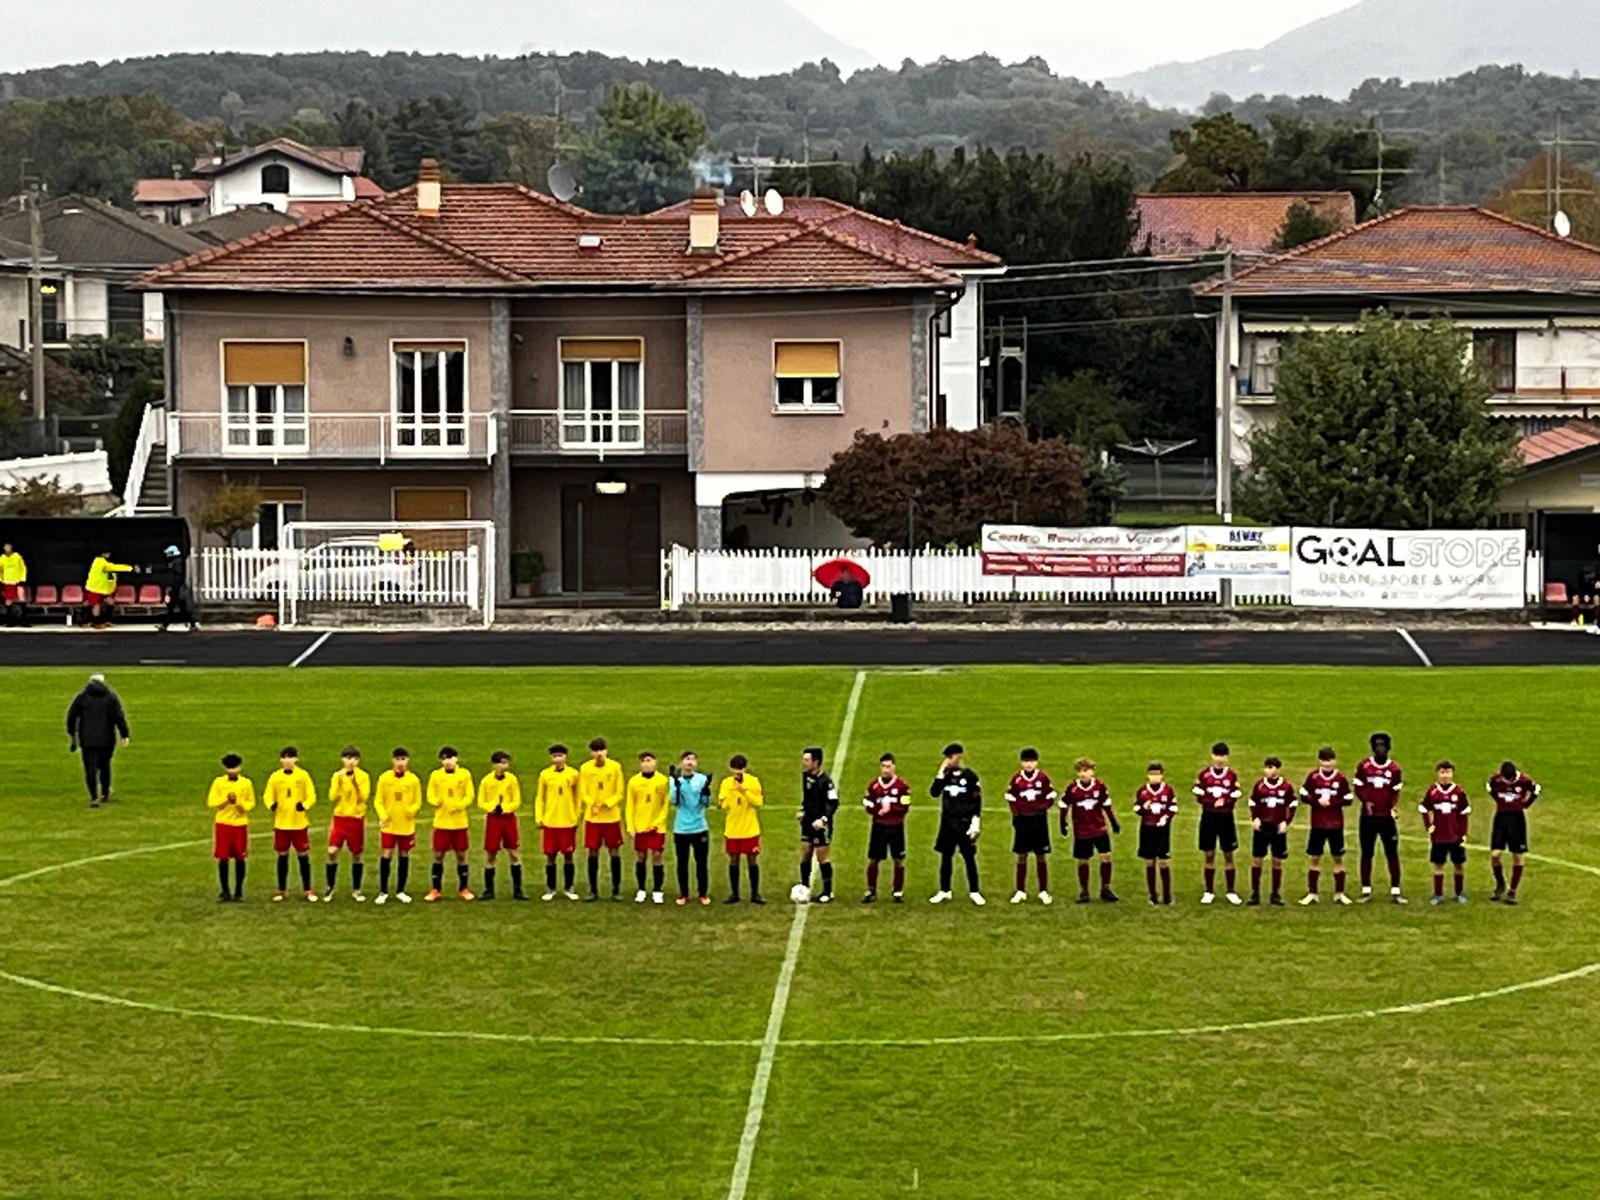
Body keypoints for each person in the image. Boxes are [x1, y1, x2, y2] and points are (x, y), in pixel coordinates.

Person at [1354, 732, 1405, 904]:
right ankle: (1366, 889)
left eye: (1383, 745)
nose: (1380, 749)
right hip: (1368, 818)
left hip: (1386, 818)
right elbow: (1359, 788)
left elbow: (1395, 792)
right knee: (1367, 852)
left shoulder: (1394, 770)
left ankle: (1396, 890)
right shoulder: (1364, 766)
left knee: (1392, 853)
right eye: (1377, 746)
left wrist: (1392, 806)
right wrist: (1366, 801)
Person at [930, 743, 984, 906]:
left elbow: (977, 800)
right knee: (946, 857)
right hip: (947, 823)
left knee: (969, 858)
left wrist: (975, 822)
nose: (947, 760)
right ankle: (944, 890)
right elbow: (934, 792)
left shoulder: (970, 776)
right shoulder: (945, 776)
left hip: (964, 822)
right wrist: (940, 773)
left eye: (950, 757)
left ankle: (974, 891)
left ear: (958, 757)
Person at [1299, 747, 1354, 906]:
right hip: (1317, 824)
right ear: (1320, 761)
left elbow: (1349, 798)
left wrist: (1333, 802)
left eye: (1330, 760)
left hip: (1335, 824)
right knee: (1315, 857)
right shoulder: (1313, 777)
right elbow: (1303, 795)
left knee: (1338, 857)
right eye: (1324, 760)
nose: (1327, 764)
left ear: (1334, 761)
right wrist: (1316, 801)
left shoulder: (1340, 778)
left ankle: (1339, 893)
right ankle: (1312, 893)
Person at [66, 673, 129, 808]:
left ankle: (94, 797)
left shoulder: (82, 697)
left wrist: (72, 733)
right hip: (107, 739)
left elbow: (71, 716)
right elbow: (119, 717)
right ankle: (105, 794)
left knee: (90, 768)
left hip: (87, 740)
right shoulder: (110, 697)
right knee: (105, 766)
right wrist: (124, 734)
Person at [263, 746, 318, 902]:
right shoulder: (275, 777)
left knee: (303, 855)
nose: (288, 761)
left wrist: (304, 805)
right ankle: (281, 890)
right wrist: (271, 804)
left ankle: (307, 889)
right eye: (285, 758)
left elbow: (311, 795)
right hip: (281, 823)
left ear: (296, 759)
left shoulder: (303, 776)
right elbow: (268, 794)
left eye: (291, 757)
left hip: (299, 823)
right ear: (281, 760)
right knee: (282, 856)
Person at [1192, 742, 1243, 906]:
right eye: (1217, 756)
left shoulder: (1232, 776)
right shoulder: (1204, 775)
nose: (1219, 759)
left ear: (1227, 758)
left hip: (1226, 818)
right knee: (1209, 854)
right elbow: (1198, 794)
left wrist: (1225, 801)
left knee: (1229, 854)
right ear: (1212, 756)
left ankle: (1231, 891)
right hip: (1208, 817)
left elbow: (1235, 794)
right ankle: (1209, 891)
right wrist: (1213, 801)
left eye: (1222, 756)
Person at [1062, 757, 1118, 904]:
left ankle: (1105, 888)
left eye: (1086, 771)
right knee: (1083, 860)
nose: (1083, 774)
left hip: (1099, 828)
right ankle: (1084, 891)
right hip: (1082, 830)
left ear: (1093, 771)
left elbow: (1106, 805)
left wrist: (1113, 822)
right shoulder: (1072, 788)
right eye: (1080, 771)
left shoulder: (1099, 786)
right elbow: (1064, 805)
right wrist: (1063, 822)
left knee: (1106, 857)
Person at [1005, 748, 1056, 906]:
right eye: (1026, 761)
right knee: (1022, 855)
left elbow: (1051, 796)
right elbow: (1010, 797)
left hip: (1039, 822)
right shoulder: (1016, 780)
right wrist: (1016, 814)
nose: (1028, 764)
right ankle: (1020, 890)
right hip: (1022, 822)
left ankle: (1043, 891)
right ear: (1021, 763)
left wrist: (1042, 808)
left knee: (1041, 855)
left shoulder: (1042, 778)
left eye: (1031, 761)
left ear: (1036, 762)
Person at [373, 747, 422, 905]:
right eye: (397, 759)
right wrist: (383, 815)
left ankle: (401, 890)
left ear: (408, 761)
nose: (400, 763)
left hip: (406, 825)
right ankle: (383, 891)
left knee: (404, 855)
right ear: (392, 760)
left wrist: (411, 811)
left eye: (403, 759)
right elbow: (378, 800)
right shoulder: (384, 778)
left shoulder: (413, 780)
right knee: (386, 855)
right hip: (389, 825)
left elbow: (417, 801)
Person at [425, 746, 475, 902]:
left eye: (451, 758)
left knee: (461, 855)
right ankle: (435, 889)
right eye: (445, 759)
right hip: (441, 822)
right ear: (441, 760)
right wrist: (436, 801)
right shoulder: (436, 775)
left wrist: (459, 805)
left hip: (459, 822)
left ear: (456, 759)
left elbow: (469, 795)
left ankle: (464, 889)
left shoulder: (464, 774)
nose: (448, 761)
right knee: (438, 855)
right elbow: (430, 795)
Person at [580, 737, 626, 902]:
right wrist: (592, 804)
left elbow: (619, 791)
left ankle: (616, 889)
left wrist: (607, 804)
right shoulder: (585, 769)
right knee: (593, 852)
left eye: (601, 750)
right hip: (593, 818)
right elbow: (583, 791)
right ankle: (593, 890)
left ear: (606, 751)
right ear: (591, 753)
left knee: (614, 851)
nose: (599, 754)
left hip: (611, 818)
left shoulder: (615, 767)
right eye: (595, 751)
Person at [1247, 756, 1297, 907]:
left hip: (1277, 829)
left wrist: (1286, 822)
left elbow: (1293, 804)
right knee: (1257, 861)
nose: (1269, 770)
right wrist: (1255, 817)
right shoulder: (1260, 786)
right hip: (1262, 828)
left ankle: (1275, 894)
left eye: (1272, 767)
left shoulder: (1286, 787)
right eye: (1267, 767)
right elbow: (1253, 802)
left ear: (1278, 769)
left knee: (1277, 862)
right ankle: (1255, 894)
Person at [1488, 761, 1540, 905]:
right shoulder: (1496, 779)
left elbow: (1536, 790)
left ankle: (1512, 891)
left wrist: (1526, 804)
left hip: (1517, 819)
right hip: (1501, 818)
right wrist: (1499, 801)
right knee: (1495, 855)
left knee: (1518, 855)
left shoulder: (1524, 780)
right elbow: (1490, 788)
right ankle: (1500, 884)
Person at [323, 745, 371, 902]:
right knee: (332, 851)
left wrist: (355, 782)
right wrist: (339, 782)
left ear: (358, 761)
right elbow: (332, 797)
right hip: (340, 818)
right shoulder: (337, 776)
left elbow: (364, 797)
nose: (350, 762)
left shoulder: (363, 776)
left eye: (354, 759)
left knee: (356, 854)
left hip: (356, 818)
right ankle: (330, 887)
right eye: (347, 758)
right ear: (342, 760)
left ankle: (356, 889)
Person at [862, 752, 911, 904]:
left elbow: (905, 805)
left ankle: (897, 891)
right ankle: (871, 890)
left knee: (898, 860)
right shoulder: (874, 785)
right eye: (883, 766)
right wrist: (878, 810)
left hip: (896, 827)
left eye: (889, 766)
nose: (886, 770)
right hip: (879, 827)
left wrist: (892, 809)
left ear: (894, 767)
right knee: (873, 860)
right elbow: (867, 802)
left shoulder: (902, 786)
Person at [477, 750, 526, 901]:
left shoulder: (512, 780)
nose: (504, 766)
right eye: (501, 763)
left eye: (506, 763)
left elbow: (516, 800)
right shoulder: (486, 781)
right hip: (493, 820)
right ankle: (489, 890)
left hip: (508, 819)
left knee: (513, 852)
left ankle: (518, 890)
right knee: (491, 853)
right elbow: (481, 801)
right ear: (494, 765)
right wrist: (492, 808)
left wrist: (505, 809)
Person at [1421, 760, 1471, 906]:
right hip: (1439, 836)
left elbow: (1463, 814)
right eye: (1442, 772)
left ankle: (1459, 892)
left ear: (1452, 774)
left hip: (1455, 835)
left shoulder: (1458, 792)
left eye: (1448, 772)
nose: (1445, 776)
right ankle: (1438, 894)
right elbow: (1424, 809)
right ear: (1438, 774)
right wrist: (1429, 826)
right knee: (1438, 865)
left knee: (1459, 864)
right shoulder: (1432, 791)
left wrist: (1463, 833)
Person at [206, 752, 255, 902]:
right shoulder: (218, 783)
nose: (232, 771)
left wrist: (238, 804)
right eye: (229, 768)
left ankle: (239, 891)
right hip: (223, 824)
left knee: (241, 858)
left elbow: (250, 803)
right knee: (223, 858)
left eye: (235, 768)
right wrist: (226, 801)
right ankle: (225, 891)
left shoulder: (246, 783)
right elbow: (211, 802)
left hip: (240, 824)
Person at [536, 744, 582, 902]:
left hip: (568, 821)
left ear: (565, 757)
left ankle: (569, 888)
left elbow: (578, 796)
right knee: (550, 856)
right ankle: (551, 888)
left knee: (568, 855)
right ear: (551, 758)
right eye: (555, 756)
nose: (558, 759)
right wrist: (539, 817)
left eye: (560, 756)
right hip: (550, 821)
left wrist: (576, 815)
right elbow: (540, 797)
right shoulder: (545, 775)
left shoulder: (573, 774)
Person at [625, 751, 671, 904]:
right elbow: (630, 806)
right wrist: (631, 827)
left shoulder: (662, 781)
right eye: (644, 761)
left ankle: (658, 890)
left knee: (657, 856)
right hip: (640, 826)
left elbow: (665, 805)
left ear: (655, 762)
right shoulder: (634, 782)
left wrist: (657, 823)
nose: (647, 763)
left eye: (649, 760)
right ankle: (642, 889)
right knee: (641, 856)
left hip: (657, 827)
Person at [719, 754, 765, 904]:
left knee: (752, 861)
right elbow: (723, 805)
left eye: (739, 770)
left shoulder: (753, 782)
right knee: (734, 861)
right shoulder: (726, 783)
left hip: (750, 829)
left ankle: (755, 894)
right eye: (734, 770)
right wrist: (725, 799)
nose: (736, 773)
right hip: (732, 829)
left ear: (744, 769)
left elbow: (758, 802)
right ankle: (734, 894)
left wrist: (744, 790)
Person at [670, 751, 714, 906]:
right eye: (687, 759)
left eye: (693, 759)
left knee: (701, 862)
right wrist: (676, 786)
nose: (690, 762)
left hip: (699, 827)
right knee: (682, 862)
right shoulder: (675, 780)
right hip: (681, 828)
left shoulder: (701, 780)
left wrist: (706, 792)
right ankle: (684, 894)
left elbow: (706, 803)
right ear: (681, 762)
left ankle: (703, 893)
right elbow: (674, 802)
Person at [797, 747, 840, 904]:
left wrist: (823, 820)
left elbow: (833, 803)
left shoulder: (826, 782)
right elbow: (807, 798)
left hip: (821, 824)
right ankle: (804, 887)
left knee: (822, 857)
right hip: (808, 822)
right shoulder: (806, 777)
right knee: (806, 853)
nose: (804, 762)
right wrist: (802, 810)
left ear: (816, 762)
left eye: (807, 760)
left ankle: (828, 892)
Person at [1133, 762, 1178, 906]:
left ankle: (1167, 895)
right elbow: (1137, 808)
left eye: (1157, 774)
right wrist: (1143, 809)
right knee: (1149, 862)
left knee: (1163, 862)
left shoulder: (1168, 790)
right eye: (1152, 774)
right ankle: (1152, 895)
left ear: (1162, 775)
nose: (1154, 777)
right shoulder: (1142, 791)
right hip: (1147, 829)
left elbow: (1173, 807)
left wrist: (1166, 818)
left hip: (1162, 830)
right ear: (1148, 775)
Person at [84, 549, 134, 630]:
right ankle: (96, 622)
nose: (108, 554)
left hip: (104, 589)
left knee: (110, 602)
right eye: (106, 552)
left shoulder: (106, 562)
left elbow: (112, 577)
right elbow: (111, 568)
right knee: (96, 605)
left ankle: (106, 620)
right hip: (95, 588)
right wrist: (130, 568)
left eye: (109, 553)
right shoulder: (99, 561)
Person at [155, 545, 197, 633]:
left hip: (177, 589)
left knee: (173, 608)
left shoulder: (176, 563)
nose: (166, 555)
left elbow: (177, 577)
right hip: (177, 589)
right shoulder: (177, 562)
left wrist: (172, 586)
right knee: (180, 609)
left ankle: (165, 625)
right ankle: (191, 624)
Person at [1, 541, 26, 627]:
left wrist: (22, 578)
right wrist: (1, 579)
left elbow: (23, 568)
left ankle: (23, 620)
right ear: (4, 548)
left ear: (12, 548)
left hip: (18, 580)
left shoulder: (17, 556)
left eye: (9, 547)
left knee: (22, 599)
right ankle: (10, 621)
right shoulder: (2, 558)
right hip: (7, 581)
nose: (7, 548)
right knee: (8, 601)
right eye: (6, 547)